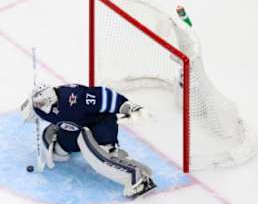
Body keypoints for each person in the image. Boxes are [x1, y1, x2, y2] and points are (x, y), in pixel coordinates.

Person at [20, 83, 156, 198]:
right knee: (58, 152)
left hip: (100, 123)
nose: (39, 105)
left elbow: (102, 96)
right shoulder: (41, 108)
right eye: (37, 104)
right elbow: (29, 111)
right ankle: (78, 145)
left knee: (98, 156)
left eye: (41, 103)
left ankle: (137, 179)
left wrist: (128, 106)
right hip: (75, 126)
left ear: (50, 98)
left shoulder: (75, 98)